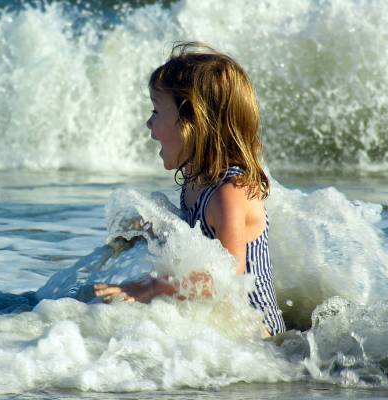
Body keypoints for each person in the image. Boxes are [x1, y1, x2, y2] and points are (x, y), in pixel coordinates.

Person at [94, 42, 286, 336]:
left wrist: (152, 287)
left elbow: (225, 284)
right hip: (224, 331)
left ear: (191, 121)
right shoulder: (196, 182)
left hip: (260, 339)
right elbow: (196, 248)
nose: (149, 123)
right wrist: (149, 233)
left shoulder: (230, 193)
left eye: (156, 111)